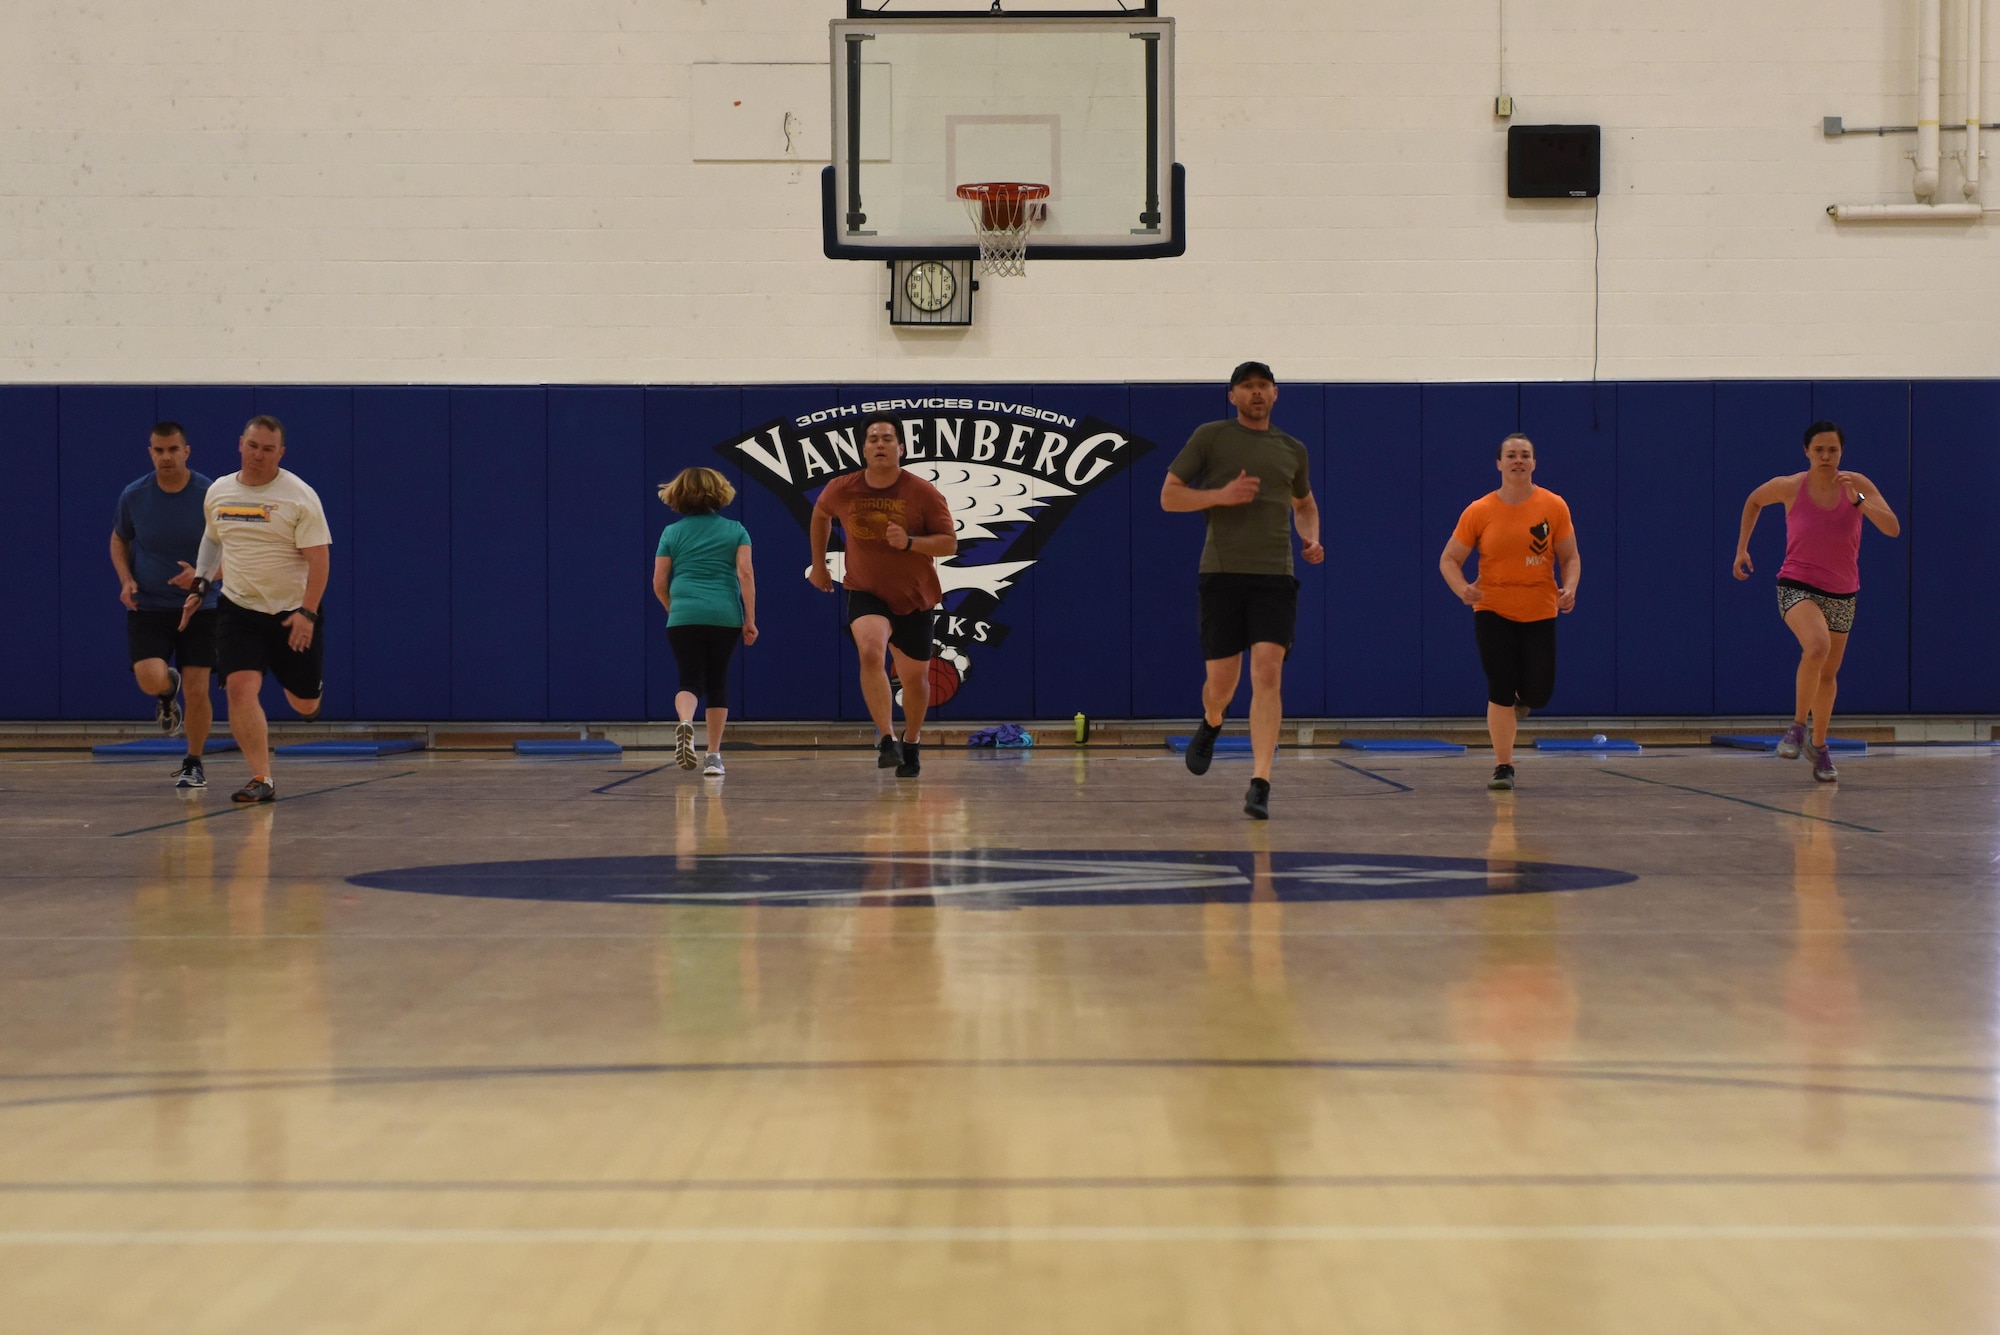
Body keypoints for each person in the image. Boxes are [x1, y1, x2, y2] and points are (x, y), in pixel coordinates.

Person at [1161, 361, 1323, 820]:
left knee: (1268, 672)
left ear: (1276, 394)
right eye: (1247, 387)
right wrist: (1219, 496)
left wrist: (1309, 538)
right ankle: (1212, 721)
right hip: (1222, 575)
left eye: (1263, 386)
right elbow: (1169, 496)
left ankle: (1261, 780)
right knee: (1222, 685)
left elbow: (1305, 503)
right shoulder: (1210, 437)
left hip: (1275, 576)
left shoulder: (1293, 448)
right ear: (1232, 396)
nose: (1256, 393)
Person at [171, 415, 332, 804]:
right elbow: (213, 541)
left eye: (268, 449)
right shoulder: (220, 493)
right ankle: (262, 778)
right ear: (240, 444)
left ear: (281, 453)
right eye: (253, 446)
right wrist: (200, 586)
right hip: (238, 610)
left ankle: (310, 688)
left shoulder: (299, 497)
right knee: (241, 689)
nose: (258, 455)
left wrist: (307, 614)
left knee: (304, 703)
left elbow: (319, 560)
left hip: (292, 612)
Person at [1732, 419, 1899, 782]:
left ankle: (1818, 745)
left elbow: (1892, 527)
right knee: (1817, 646)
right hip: (1797, 585)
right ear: (1807, 451)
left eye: (1833, 450)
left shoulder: (1858, 486)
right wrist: (1742, 548)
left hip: (1843, 592)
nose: (1826, 456)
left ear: (1841, 452)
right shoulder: (1791, 486)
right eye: (1819, 449)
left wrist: (1860, 501)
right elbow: (1754, 500)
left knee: (1828, 674)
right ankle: (1795, 727)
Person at [807, 415, 956, 778]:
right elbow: (821, 514)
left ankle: (913, 739)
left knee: (916, 681)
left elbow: (949, 543)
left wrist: (909, 543)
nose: (879, 444)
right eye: (873, 438)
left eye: (887, 438)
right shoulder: (843, 488)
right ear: (863, 449)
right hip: (865, 590)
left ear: (901, 448)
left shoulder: (923, 492)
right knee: (871, 651)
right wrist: (819, 566)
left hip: (914, 595)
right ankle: (887, 738)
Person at [1438, 432, 1581, 791]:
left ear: (1534, 463)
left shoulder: (1554, 506)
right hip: (1492, 608)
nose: (1518, 460)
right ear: (1499, 464)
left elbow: (1570, 557)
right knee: (1499, 684)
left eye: (1525, 455)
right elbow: (1449, 560)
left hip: (1540, 609)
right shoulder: (1480, 510)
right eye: (1511, 455)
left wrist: (1571, 587)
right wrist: (1463, 590)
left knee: (1539, 693)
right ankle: (1504, 765)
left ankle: (1522, 701)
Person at [110, 421, 219, 789]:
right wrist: (126, 578)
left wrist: (203, 578)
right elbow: (119, 540)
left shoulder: (209, 494)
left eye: (173, 449)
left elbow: (232, 548)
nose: (166, 456)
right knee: (150, 677)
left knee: (198, 688)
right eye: (159, 450)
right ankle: (164, 691)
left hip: (201, 606)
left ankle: (194, 761)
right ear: (150, 453)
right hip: (150, 606)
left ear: (186, 451)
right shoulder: (134, 495)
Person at [653, 467, 757, 776]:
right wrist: (749, 618)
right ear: (719, 491)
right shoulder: (736, 530)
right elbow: (745, 574)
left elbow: (659, 582)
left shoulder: (671, 533)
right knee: (717, 682)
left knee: (689, 680)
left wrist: (675, 609)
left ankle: (685, 722)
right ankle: (713, 756)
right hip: (724, 614)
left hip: (684, 614)